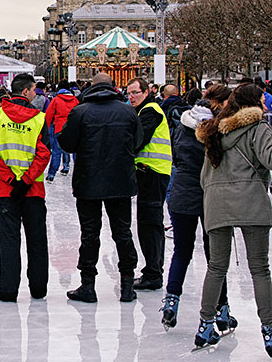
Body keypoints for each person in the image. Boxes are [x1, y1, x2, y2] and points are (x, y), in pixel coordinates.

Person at [193, 83, 272, 353]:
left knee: (216, 267)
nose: (266, 104)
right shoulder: (258, 128)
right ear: (253, 103)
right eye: (263, 99)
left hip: (217, 202)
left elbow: (204, 176)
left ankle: (205, 325)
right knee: (259, 268)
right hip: (251, 200)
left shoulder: (214, 130)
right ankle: (269, 328)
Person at [59, 73, 143, 303]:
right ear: (113, 87)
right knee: (123, 232)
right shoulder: (127, 111)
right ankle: (127, 283)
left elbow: (66, 142)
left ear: (92, 87)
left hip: (89, 180)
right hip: (120, 180)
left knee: (89, 234)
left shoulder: (81, 111)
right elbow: (138, 141)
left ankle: (88, 284)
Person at [161, 85, 234, 331]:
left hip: (182, 193)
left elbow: (178, 156)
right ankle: (222, 309)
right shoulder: (218, 129)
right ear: (220, 103)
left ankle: (171, 302)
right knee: (216, 257)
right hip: (210, 194)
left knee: (182, 251)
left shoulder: (183, 124)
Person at [0, 74, 51, 302]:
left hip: (6, 190)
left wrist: (11, 180)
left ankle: (8, 289)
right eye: (34, 90)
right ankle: (39, 288)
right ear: (25, 91)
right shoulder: (39, 119)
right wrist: (27, 180)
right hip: (33, 190)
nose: (36, 94)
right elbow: (44, 154)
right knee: (37, 239)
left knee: (8, 239)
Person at [127, 77, 172, 291]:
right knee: (148, 222)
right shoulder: (143, 111)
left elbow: (139, 140)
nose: (131, 97)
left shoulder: (151, 111)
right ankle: (153, 270)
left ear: (147, 92)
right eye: (129, 93)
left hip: (153, 171)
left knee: (150, 223)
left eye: (135, 92)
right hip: (150, 171)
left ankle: (153, 273)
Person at [44, 79, 79, 181]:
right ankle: (75, 170)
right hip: (72, 129)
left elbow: (49, 115)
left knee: (56, 152)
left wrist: (46, 127)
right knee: (74, 151)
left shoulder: (56, 100)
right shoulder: (75, 100)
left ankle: (51, 174)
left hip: (59, 128)